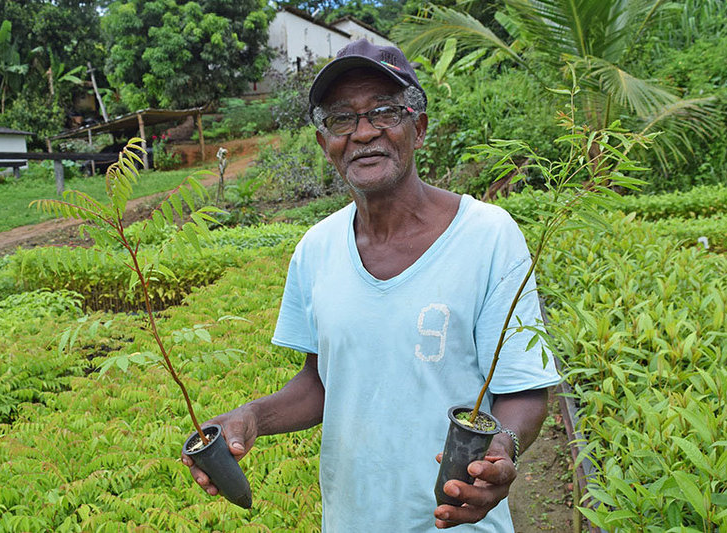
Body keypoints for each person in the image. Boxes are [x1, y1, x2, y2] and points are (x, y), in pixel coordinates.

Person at [182, 39, 561, 531]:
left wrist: (502, 445)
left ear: (418, 128)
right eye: (342, 119)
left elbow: (525, 388)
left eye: (384, 112)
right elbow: (322, 382)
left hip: (461, 522)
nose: (363, 133)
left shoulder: (488, 236)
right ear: (325, 144)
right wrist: (252, 416)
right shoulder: (315, 250)